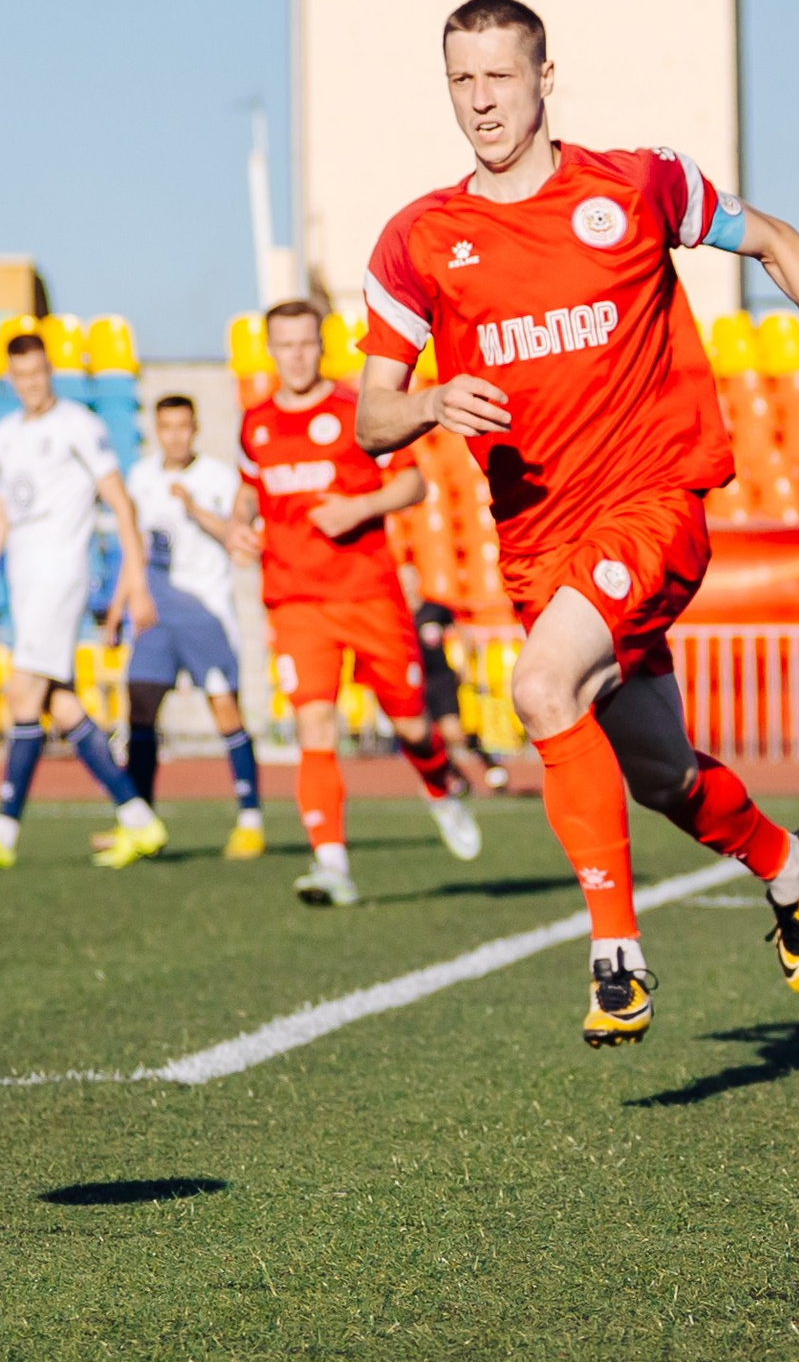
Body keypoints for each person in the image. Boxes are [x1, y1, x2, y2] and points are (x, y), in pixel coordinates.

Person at [355, 0, 799, 1047]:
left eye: (498, 76)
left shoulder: (635, 185)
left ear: (543, 77)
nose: (480, 101)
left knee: (538, 683)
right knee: (664, 774)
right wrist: (431, 402)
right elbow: (369, 412)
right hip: (539, 544)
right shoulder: (419, 240)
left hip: (653, 503)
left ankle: (615, 957)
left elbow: (773, 240)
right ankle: (787, 863)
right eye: (461, 81)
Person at [237, 299, 482, 906]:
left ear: (321, 345)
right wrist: (237, 526)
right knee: (313, 722)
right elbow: (249, 494)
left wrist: (359, 508)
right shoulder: (255, 423)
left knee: (410, 723)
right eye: (284, 344)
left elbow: (412, 482)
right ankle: (332, 866)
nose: (295, 355)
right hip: (295, 599)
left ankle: (440, 788)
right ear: (270, 350)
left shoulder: (355, 410)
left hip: (368, 594)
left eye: (304, 343)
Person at [0, 332, 164, 871]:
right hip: (24, 583)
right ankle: (138, 819)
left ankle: (3, 832)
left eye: (39, 372)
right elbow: (0, 516)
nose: (32, 383)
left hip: (61, 577)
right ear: (10, 378)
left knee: (23, 694)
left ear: (50, 370)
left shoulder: (79, 427)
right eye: (22, 375)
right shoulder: (2, 437)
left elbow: (121, 504)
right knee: (56, 702)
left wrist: (135, 581)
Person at [106, 393, 267, 859]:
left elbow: (235, 536)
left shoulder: (217, 478)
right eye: (167, 427)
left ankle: (250, 819)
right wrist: (120, 604)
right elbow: (133, 549)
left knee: (225, 710)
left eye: (183, 427)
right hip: (155, 611)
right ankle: (140, 822)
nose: (175, 436)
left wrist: (194, 508)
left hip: (207, 611)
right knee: (139, 707)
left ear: (194, 429)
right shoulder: (140, 477)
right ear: (157, 430)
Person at [412, 595, 509, 795]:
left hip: (441, 679)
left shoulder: (433, 610)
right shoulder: (397, 612)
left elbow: (460, 629)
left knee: (453, 732)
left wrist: (465, 661)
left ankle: (491, 765)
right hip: (416, 681)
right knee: (430, 738)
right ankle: (458, 779)